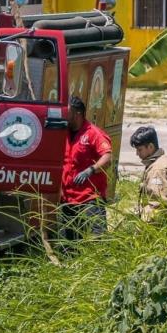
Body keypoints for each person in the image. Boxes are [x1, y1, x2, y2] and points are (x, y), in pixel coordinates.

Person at [59, 97, 112, 241]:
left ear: (77, 114)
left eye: (67, 112)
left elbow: (107, 158)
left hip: (89, 199)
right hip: (68, 198)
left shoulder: (93, 133)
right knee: (69, 245)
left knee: (96, 240)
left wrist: (91, 170)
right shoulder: (63, 133)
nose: (63, 115)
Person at [130, 125, 167, 221]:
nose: (137, 154)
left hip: (156, 228)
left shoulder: (157, 170)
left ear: (151, 147)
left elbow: (159, 206)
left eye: (140, 150)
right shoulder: (160, 160)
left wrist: (142, 228)